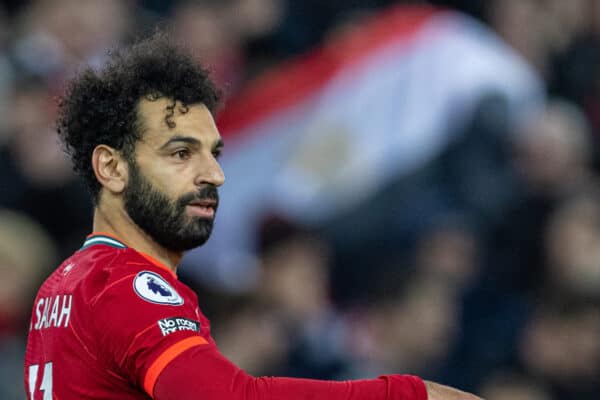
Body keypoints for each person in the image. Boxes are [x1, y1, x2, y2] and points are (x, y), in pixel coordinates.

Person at [24, 32, 481, 400]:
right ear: (112, 167)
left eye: (213, 153)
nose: (214, 174)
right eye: (181, 153)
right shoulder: (127, 286)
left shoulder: (63, 287)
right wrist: (410, 393)